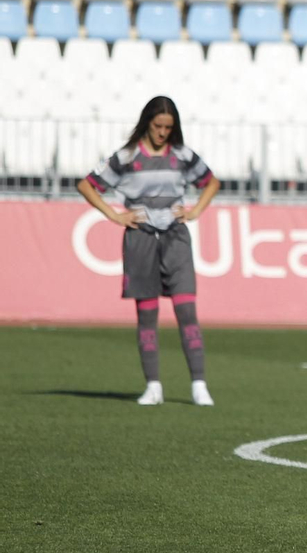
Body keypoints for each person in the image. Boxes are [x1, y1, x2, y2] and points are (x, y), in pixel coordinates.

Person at [77, 96, 220, 407]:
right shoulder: (127, 157)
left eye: (168, 127)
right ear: (147, 123)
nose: (162, 133)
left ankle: (199, 385)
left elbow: (211, 182)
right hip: (140, 238)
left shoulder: (182, 155)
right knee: (147, 315)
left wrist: (195, 211)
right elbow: (87, 185)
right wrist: (115, 215)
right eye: (158, 126)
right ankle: (153, 386)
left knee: (186, 312)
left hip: (175, 238)